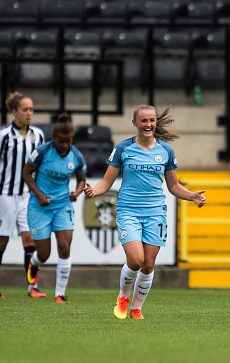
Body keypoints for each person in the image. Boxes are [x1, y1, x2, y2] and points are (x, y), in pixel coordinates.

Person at [83, 104, 206, 320]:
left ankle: (136, 308)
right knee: (136, 260)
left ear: (155, 122)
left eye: (151, 120)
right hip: (128, 211)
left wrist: (192, 196)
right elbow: (106, 181)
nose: (148, 124)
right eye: (144, 121)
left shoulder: (166, 151)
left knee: (148, 265)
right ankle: (123, 297)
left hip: (155, 212)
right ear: (135, 123)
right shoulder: (123, 148)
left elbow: (173, 186)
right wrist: (95, 190)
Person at [0, 92, 47, 299]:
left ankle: (32, 287)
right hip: (5, 195)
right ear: (15, 111)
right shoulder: (3, 135)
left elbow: (40, 166)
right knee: (1, 242)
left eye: (31, 109)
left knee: (30, 241)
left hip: (28, 196)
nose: (29, 113)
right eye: (25, 109)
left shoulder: (38, 135)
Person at [22, 113, 87, 303]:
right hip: (40, 206)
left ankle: (60, 294)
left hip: (62, 206)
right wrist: (39, 195)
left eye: (68, 141)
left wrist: (77, 191)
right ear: (54, 139)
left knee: (65, 247)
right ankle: (34, 270)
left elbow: (82, 179)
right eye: (61, 141)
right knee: (43, 254)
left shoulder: (76, 155)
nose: (65, 145)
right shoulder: (42, 152)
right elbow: (26, 174)